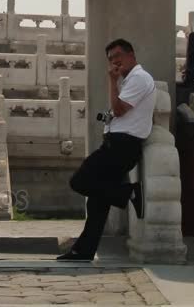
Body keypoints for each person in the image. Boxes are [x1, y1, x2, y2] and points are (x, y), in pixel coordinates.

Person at [57, 39, 156, 262]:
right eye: (111, 59)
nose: (115, 62)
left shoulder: (139, 78)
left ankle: (129, 193)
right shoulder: (130, 81)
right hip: (116, 143)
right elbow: (116, 112)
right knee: (97, 202)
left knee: (79, 181)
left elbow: (119, 110)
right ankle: (83, 251)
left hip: (122, 146)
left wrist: (112, 81)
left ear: (131, 55)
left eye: (118, 56)